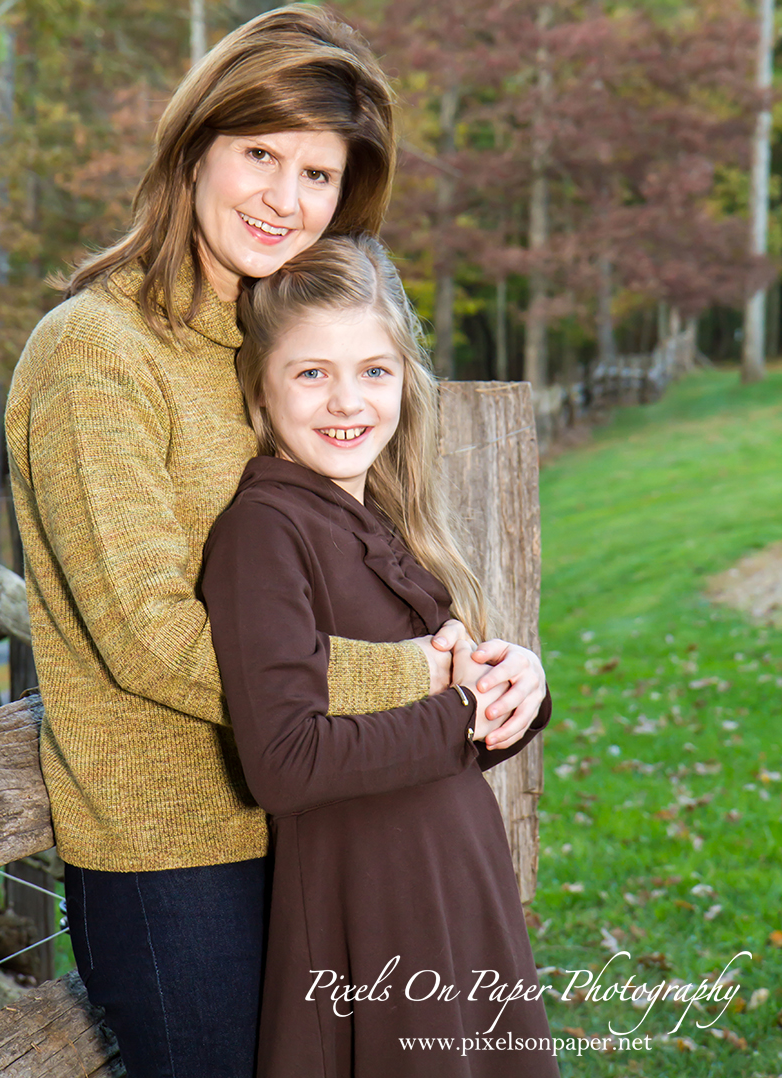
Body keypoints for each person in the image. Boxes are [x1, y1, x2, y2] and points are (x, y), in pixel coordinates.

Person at [4, 4, 547, 1078]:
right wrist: (415, 682)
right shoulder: (93, 354)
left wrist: (487, 664)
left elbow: (352, 571)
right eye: (261, 154)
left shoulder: (281, 348)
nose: (284, 200)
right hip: (176, 858)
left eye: (317, 175)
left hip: (319, 830)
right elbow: (147, 636)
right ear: (196, 143)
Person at [201, 233, 557, 1078]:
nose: (346, 401)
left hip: (454, 885)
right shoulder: (265, 531)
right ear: (260, 388)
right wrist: (462, 714)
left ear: (404, 380)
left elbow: (455, 707)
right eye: (311, 373)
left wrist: (519, 692)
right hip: (371, 913)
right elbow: (286, 761)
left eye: (374, 370)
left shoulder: (383, 516)